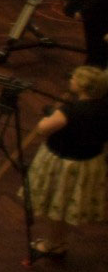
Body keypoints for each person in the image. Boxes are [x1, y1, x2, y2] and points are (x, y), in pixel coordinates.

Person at [23, 65, 107, 259]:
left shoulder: (71, 111)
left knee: (57, 205)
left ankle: (53, 244)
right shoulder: (104, 108)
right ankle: (59, 241)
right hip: (89, 163)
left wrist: (53, 113)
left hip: (64, 164)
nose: (71, 80)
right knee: (66, 205)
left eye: (75, 78)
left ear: (84, 86)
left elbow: (42, 128)